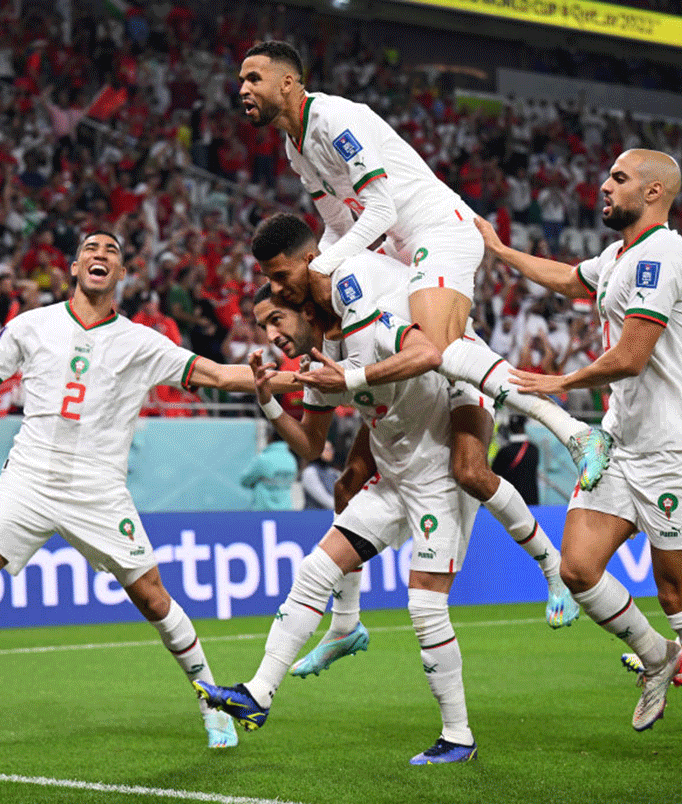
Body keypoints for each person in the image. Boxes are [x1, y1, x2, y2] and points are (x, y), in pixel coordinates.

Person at [0, 232, 285, 765]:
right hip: (30, 479)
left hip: (98, 487)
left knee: (153, 600)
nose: (100, 254)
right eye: (91, 248)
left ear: (122, 272)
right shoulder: (30, 325)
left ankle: (212, 707)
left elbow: (222, 374)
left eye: (111, 250)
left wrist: (297, 378)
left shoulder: (141, 341)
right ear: (74, 267)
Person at [477, 148, 682, 767]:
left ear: (655, 192)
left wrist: (556, 384)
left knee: (681, 597)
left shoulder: (662, 255)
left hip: (673, 452)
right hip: (622, 442)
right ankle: (657, 657)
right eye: (608, 176)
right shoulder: (621, 255)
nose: (604, 186)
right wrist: (499, 251)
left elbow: (632, 354)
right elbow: (570, 279)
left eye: (619, 179)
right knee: (576, 567)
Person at [236, 41, 611, 490]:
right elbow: (336, 225)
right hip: (401, 248)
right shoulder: (296, 149)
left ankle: (575, 431)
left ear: (288, 82)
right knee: (449, 364)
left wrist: (322, 269)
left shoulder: (336, 120)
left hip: (439, 232)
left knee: (436, 349)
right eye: (241, 80)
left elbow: (379, 212)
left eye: (253, 78)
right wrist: (323, 270)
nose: (242, 88)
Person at [196, 282, 484, 764]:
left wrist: (351, 380)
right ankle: (259, 693)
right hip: (393, 481)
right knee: (314, 571)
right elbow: (310, 446)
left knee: (425, 607)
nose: (271, 334)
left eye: (278, 319)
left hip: (438, 475)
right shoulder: (316, 362)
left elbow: (428, 354)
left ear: (306, 308)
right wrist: (268, 400)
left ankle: (458, 735)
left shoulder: (370, 324)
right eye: (264, 325)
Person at [252, 213, 579, 629]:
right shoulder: (320, 315)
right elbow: (312, 438)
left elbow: (414, 350)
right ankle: (345, 623)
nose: (279, 289)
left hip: (453, 364)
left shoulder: (349, 277)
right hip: (408, 385)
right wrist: (270, 395)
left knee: (469, 470)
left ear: (309, 259)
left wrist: (341, 379)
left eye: (280, 279)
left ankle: (554, 569)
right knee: (347, 484)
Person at [240, 430, 298, 510]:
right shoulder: (291, 459)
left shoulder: (263, 459)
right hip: (286, 510)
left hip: (263, 510)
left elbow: (244, 480)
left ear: (270, 438)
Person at [491, 416, 540, 505]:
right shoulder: (534, 449)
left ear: (509, 428)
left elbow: (494, 474)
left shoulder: (504, 451)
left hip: (510, 500)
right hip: (531, 499)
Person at [300, 439, 341, 510]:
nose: (330, 452)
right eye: (326, 449)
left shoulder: (333, 473)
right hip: (314, 517)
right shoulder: (310, 472)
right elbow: (323, 497)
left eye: (331, 449)